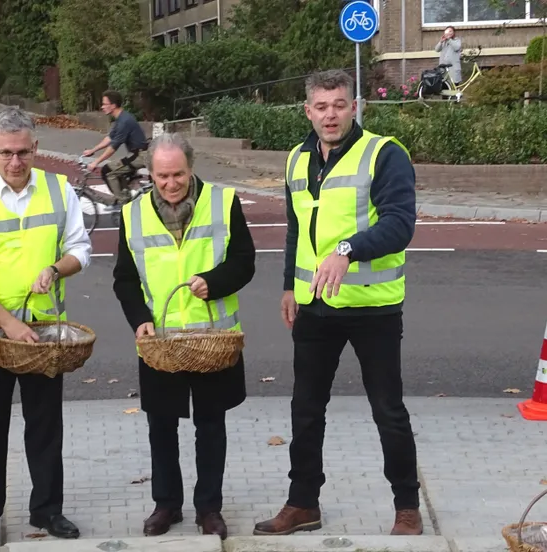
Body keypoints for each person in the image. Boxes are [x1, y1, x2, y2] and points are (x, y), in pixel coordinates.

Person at [253, 69, 422, 537]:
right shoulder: (297, 159)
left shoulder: (384, 154)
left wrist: (348, 250)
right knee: (306, 410)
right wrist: (289, 286)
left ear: (355, 107)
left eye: (340, 105)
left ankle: (407, 507)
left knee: (388, 411)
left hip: (373, 307)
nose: (331, 115)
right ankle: (302, 503)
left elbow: (399, 224)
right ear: (308, 111)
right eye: (322, 107)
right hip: (315, 306)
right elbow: (297, 229)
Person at [0, 106, 93, 543]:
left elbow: (80, 248)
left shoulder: (59, 190)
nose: (15, 162)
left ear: (36, 148)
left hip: (45, 333)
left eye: (23, 152)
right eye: (6, 152)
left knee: (45, 425)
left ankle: (47, 511)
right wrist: (8, 323)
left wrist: (56, 268)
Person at [112, 132, 256, 540]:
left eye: (178, 174)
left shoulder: (223, 203)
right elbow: (125, 279)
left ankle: (209, 508)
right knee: (161, 426)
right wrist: (139, 319)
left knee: (210, 425)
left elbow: (244, 261)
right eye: (162, 176)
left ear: (191, 169)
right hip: (161, 341)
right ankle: (166, 505)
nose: (171, 183)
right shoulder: (133, 213)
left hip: (212, 339)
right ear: (150, 174)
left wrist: (215, 281)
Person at [83, 90, 149, 203]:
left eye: (105, 104)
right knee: (118, 171)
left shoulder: (124, 122)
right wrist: (92, 150)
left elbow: (113, 147)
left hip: (141, 156)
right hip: (136, 154)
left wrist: (95, 162)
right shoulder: (121, 118)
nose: (102, 107)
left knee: (108, 171)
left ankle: (123, 202)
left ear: (113, 105)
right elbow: (109, 138)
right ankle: (125, 196)